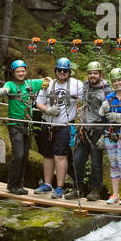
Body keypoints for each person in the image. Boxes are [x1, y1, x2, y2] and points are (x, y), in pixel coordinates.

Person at [0, 60, 48, 195]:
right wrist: (3, 91)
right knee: (18, 155)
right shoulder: (11, 84)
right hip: (15, 125)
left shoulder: (30, 83)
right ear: (14, 73)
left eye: (23, 71)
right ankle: (12, 185)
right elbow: (7, 88)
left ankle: (19, 184)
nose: (21, 73)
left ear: (26, 71)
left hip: (27, 126)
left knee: (25, 156)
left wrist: (47, 82)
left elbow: (46, 80)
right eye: (18, 71)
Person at [34, 57, 83, 199]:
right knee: (48, 155)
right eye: (59, 70)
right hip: (48, 124)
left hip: (65, 125)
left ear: (69, 72)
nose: (62, 73)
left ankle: (59, 187)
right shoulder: (48, 84)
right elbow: (38, 103)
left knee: (61, 155)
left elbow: (85, 99)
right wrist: (47, 110)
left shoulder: (76, 84)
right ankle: (47, 184)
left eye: (65, 71)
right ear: (56, 70)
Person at [68, 61, 107, 200]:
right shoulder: (85, 86)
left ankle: (95, 190)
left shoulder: (106, 89)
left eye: (95, 73)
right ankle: (77, 189)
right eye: (90, 73)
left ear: (100, 74)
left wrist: (106, 134)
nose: (92, 75)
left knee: (96, 163)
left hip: (97, 130)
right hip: (83, 129)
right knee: (77, 160)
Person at [98, 67, 121, 203]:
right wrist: (103, 111)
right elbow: (103, 118)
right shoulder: (109, 98)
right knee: (113, 164)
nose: (117, 83)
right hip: (110, 134)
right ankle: (115, 194)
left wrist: (117, 117)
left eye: (119, 80)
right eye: (114, 81)